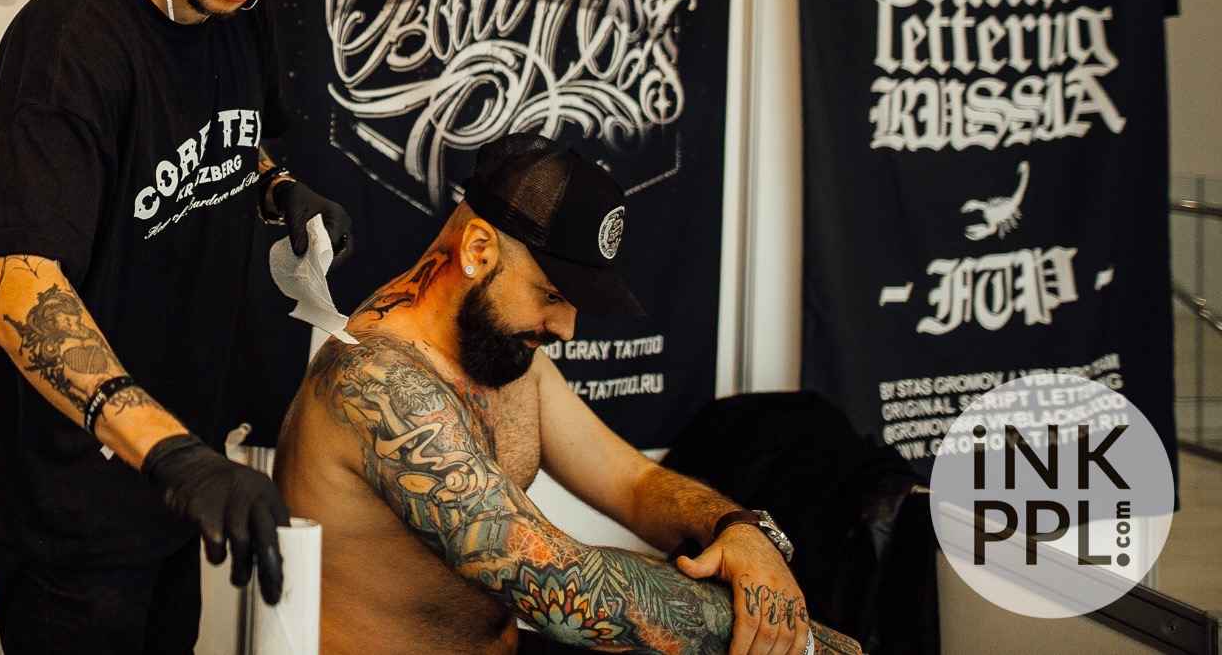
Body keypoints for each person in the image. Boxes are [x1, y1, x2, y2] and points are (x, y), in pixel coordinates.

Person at [0, 0, 358, 654]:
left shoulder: (236, 5)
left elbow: (222, 134)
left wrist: (278, 188)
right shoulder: (72, 44)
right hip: (70, 493)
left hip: (171, 472)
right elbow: (16, 286)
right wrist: (173, 453)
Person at [275, 133, 865, 655]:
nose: (566, 329)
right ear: (478, 251)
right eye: (552, 296)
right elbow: (563, 585)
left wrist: (736, 529)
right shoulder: (376, 380)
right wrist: (803, 641)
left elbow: (633, 484)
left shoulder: (502, 352)